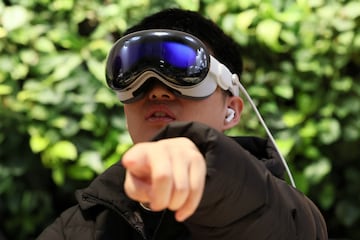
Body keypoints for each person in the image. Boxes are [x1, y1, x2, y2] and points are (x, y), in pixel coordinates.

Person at [37, 8, 328, 239]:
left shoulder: (283, 209)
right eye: (134, 71)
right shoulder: (76, 226)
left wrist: (206, 173)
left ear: (232, 110)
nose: (156, 90)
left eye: (185, 68)